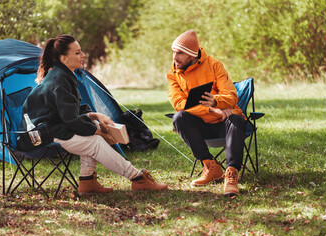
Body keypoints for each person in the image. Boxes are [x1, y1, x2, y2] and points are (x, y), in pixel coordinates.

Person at [21, 34, 168, 196]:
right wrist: (100, 133)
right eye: (77, 53)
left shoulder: (63, 75)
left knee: (94, 133)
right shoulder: (59, 80)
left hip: (53, 129)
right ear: (64, 58)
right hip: (40, 135)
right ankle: (138, 178)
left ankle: (87, 181)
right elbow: (71, 120)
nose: (83, 55)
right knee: (95, 141)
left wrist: (96, 116)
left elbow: (73, 111)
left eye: (81, 51)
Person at [167, 30, 246, 196]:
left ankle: (231, 175)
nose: (175, 57)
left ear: (191, 54)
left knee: (236, 119)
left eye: (180, 53)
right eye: (174, 52)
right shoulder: (173, 75)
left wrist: (216, 101)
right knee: (179, 118)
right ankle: (211, 167)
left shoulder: (214, 65)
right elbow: (179, 104)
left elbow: (231, 96)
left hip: (224, 124)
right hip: (202, 124)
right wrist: (212, 109)